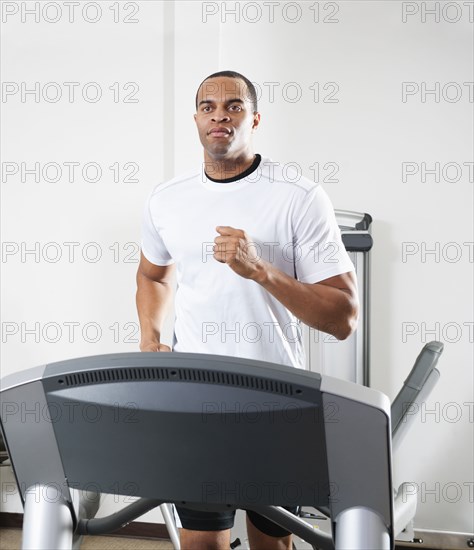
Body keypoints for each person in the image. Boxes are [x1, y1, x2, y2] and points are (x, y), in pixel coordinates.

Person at [136, 70, 359, 550]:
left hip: (276, 402)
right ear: (195, 119)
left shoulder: (299, 197)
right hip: (195, 401)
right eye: (208, 107)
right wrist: (151, 338)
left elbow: (344, 317)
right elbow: (153, 275)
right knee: (200, 541)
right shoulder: (166, 199)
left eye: (234, 105)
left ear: (255, 118)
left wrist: (262, 270)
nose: (220, 115)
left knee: (271, 542)